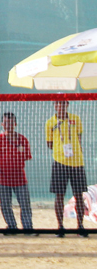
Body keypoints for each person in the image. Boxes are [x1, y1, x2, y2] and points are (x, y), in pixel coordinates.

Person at [0, 112, 34, 233]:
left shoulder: (22, 139)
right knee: (5, 205)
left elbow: (26, 156)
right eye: (6, 122)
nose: (9, 125)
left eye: (11, 122)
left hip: (19, 178)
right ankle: (12, 226)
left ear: (15, 124)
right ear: (2, 124)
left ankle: (28, 227)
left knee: (25, 204)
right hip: (3, 178)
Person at [45, 100, 88, 237]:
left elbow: (79, 137)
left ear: (67, 105)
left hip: (76, 162)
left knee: (79, 195)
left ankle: (80, 226)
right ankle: (60, 227)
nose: (60, 106)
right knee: (59, 195)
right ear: (54, 105)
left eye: (63, 103)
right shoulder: (50, 122)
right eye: (57, 104)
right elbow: (49, 143)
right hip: (59, 161)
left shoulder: (75, 119)